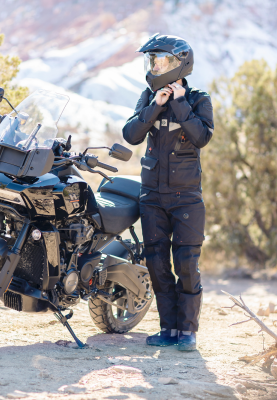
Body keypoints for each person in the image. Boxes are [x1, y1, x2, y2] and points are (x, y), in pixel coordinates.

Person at [122, 33, 213, 351]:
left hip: (186, 197)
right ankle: (168, 330)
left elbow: (202, 137)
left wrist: (178, 102)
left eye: (162, 60)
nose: (156, 65)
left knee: (186, 264)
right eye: (153, 60)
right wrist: (155, 106)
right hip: (153, 197)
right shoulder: (148, 96)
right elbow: (131, 134)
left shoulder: (199, 98)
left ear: (181, 63)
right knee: (157, 265)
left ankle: (188, 332)